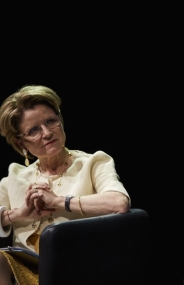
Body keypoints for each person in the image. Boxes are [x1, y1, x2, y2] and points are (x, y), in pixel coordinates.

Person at [0, 85, 130, 285]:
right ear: (20, 143)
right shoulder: (14, 177)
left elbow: (119, 202)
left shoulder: (93, 163)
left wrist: (59, 201)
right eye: (34, 130)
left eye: (51, 121)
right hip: (26, 270)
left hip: (79, 268)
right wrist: (20, 214)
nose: (47, 133)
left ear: (60, 120)